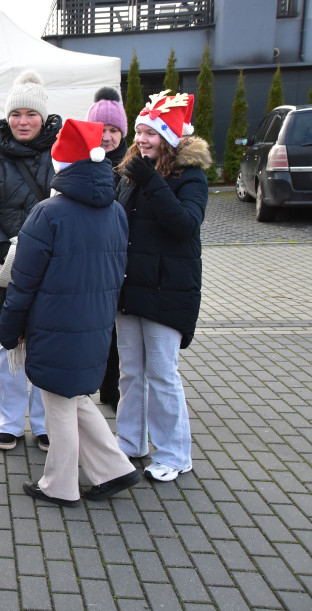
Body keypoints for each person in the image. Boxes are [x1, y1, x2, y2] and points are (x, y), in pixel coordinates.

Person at [0, 118, 140, 507]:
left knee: (58, 403)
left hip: (54, 325)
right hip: (93, 323)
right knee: (72, 396)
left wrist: (10, 330)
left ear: (62, 167)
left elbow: (23, 282)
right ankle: (114, 469)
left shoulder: (48, 213)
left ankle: (59, 485)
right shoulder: (115, 211)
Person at [115, 90, 211, 483]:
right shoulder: (134, 171)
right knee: (130, 373)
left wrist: (151, 183)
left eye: (151, 133)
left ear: (170, 137)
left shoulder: (191, 176)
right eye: (139, 132)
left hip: (167, 291)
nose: (142, 140)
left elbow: (186, 225)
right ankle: (130, 443)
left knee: (162, 374)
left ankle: (174, 453)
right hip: (130, 289)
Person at [0, 70, 61, 452]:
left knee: (45, 344)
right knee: (10, 345)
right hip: (7, 266)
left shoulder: (60, 152)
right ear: (7, 117)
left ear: (43, 117)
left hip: (53, 264)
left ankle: (43, 422)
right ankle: (8, 421)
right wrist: (1, 247)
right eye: (16, 114)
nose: (23, 122)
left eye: (31, 114)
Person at [84, 86, 130, 410]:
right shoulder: (82, 162)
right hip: (89, 260)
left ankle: (112, 392)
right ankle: (92, 384)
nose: (108, 136)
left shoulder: (132, 166)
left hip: (121, 261)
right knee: (93, 328)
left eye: (114, 130)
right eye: (102, 129)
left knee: (118, 332)